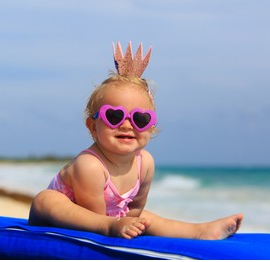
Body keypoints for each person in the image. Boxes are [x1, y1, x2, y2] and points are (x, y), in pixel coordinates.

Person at [28, 42, 243, 239]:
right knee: (46, 199)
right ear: (93, 126)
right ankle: (111, 226)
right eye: (114, 116)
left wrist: (130, 222)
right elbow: (91, 216)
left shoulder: (145, 163)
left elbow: (135, 208)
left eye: (140, 119)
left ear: (151, 128)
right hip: (67, 218)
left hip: (113, 217)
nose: (127, 125)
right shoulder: (90, 165)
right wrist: (112, 225)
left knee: (150, 219)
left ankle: (199, 231)